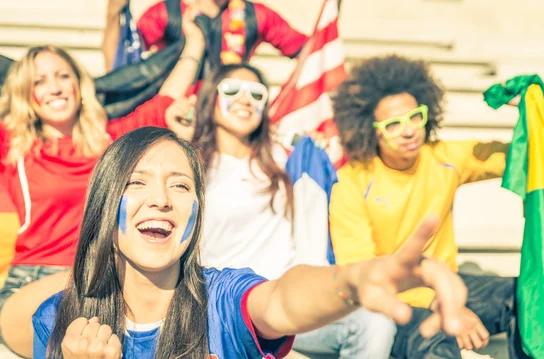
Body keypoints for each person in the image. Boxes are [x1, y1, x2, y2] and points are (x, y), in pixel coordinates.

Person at [32, 126, 468, 359]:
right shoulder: (57, 321)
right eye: (136, 182)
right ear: (105, 203)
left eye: (181, 186)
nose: (161, 200)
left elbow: (281, 299)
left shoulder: (222, 298)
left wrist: (353, 282)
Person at [0, 10, 204, 358]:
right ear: (26, 95)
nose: (53, 86)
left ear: (78, 86)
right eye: (39, 81)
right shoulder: (10, 144)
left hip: (103, 285)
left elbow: (165, 102)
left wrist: (196, 45)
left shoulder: (111, 143)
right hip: (33, 283)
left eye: (62, 75)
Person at [157, 62, 395, 358]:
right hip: (232, 307)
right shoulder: (189, 165)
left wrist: (314, 149)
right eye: (232, 90)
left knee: (375, 320)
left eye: (257, 94)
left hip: (293, 300)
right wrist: (177, 132)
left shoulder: (286, 159)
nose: (245, 100)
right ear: (210, 99)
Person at [330, 54, 529, 359]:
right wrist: (440, 301)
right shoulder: (351, 182)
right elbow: (365, 276)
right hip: (390, 302)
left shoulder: (445, 158)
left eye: (415, 117)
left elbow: (524, 157)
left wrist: (531, 109)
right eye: (393, 125)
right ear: (372, 130)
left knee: (532, 300)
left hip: (448, 285)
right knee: (433, 338)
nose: (408, 131)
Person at [102, 0, 308, 71]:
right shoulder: (167, 12)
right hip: (177, 116)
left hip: (229, 118)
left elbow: (311, 52)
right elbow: (120, 61)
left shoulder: (257, 15)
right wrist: (113, 15)